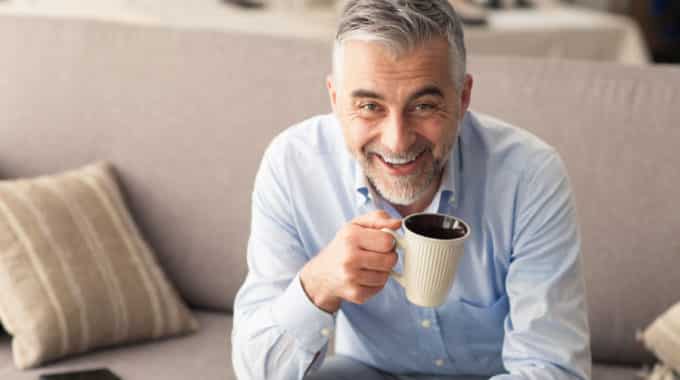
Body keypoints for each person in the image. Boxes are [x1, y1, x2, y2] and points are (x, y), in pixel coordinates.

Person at [231, 0, 591, 379]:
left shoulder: (530, 176)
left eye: (423, 106)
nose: (398, 142)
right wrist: (317, 285)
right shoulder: (293, 166)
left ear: (463, 97)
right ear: (336, 100)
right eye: (370, 106)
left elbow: (552, 371)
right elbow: (258, 371)